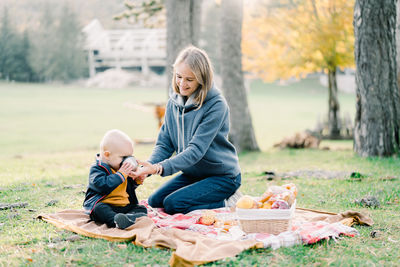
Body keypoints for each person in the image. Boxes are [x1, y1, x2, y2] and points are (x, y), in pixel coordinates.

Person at [131, 46, 242, 215]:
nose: (182, 84)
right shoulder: (173, 102)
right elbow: (164, 143)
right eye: (179, 77)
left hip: (222, 177)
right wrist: (148, 169)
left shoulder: (216, 105)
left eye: (189, 79)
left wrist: (158, 168)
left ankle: (230, 202)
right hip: (194, 174)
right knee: (155, 201)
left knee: (174, 205)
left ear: (201, 79)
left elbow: (195, 151)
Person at [83, 129, 147, 229]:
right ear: (107, 155)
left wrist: (136, 180)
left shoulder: (121, 169)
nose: (127, 160)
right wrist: (120, 175)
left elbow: (126, 187)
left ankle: (129, 218)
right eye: (124, 157)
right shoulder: (97, 169)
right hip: (106, 205)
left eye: (130, 156)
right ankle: (116, 221)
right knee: (99, 209)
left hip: (124, 206)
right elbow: (102, 185)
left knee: (141, 208)